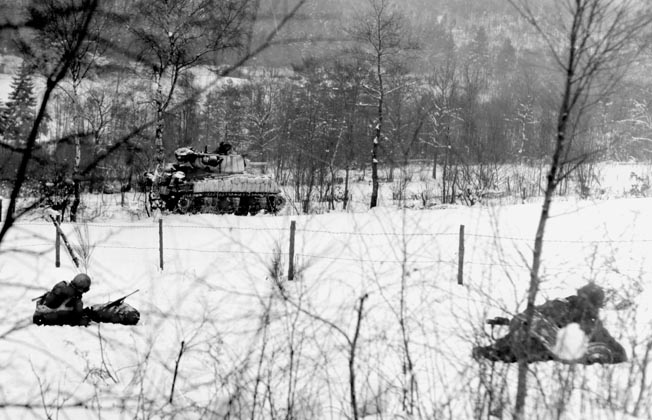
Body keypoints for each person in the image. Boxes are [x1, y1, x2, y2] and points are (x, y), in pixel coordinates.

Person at [473, 283, 627, 364]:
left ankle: (492, 351)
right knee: (526, 347)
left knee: (524, 348)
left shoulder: (567, 306)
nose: (584, 303)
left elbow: (608, 344)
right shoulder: (567, 307)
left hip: (537, 347)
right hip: (535, 344)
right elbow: (529, 317)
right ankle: (493, 351)